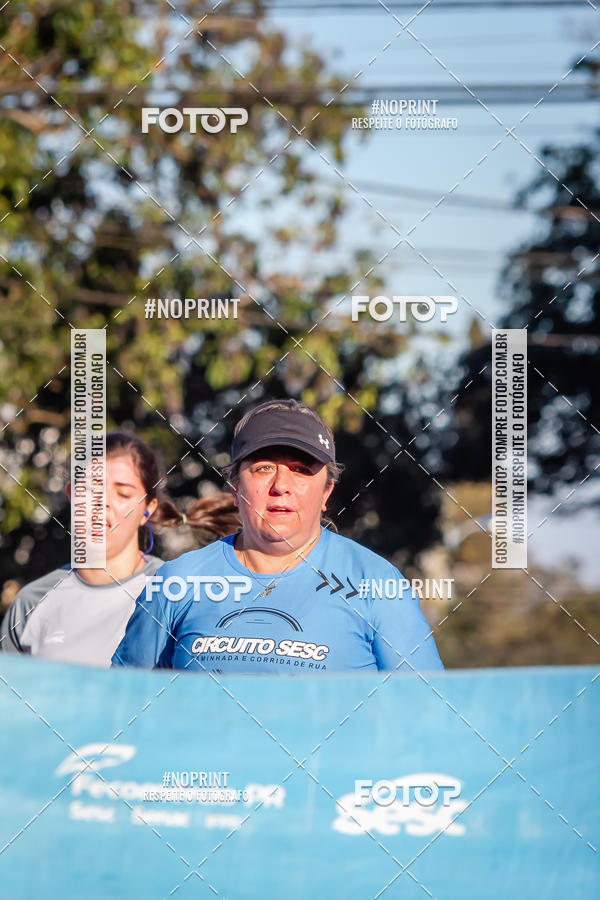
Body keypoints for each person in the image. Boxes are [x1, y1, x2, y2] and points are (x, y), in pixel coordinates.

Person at [112, 400, 444, 674]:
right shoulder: (177, 581)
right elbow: (120, 709)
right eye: (264, 468)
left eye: (301, 469)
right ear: (235, 486)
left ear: (327, 490)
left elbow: (427, 717)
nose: (280, 486)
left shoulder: (376, 583)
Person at [0, 432, 239, 667]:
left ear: (148, 509)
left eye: (123, 493)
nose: (102, 503)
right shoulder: (31, 604)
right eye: (91, 488)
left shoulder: (178, 595)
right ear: (72, 495)